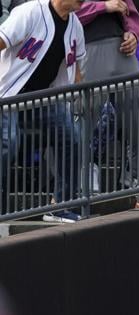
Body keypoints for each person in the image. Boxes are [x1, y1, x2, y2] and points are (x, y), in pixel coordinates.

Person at [0, 0, 87, 221]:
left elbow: (78, 68)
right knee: (8, 142)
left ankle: (61, 205)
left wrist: (75, 92)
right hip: (7, 96)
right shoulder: (30, 12)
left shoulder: (75, 25)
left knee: (72, 138)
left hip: (41, 99)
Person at [75, 0, 139, 207]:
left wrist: (134, 34)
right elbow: (63, 11)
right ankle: (70, 192)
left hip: (122, 48)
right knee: (82, 124)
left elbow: (130, 11)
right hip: (88, 47)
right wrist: (103, 6)